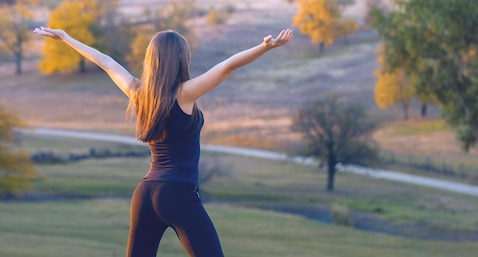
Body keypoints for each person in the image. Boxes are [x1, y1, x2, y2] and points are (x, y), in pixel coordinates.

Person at [34, 26, 292, 257]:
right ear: (181, 59)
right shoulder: (184, 94)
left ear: (152, 60)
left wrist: (67, 38)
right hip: (178, 194)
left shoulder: (139, 93)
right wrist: (264, 47)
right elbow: (227, 67)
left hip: (145, 194)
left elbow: (106, 62)